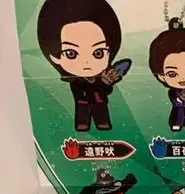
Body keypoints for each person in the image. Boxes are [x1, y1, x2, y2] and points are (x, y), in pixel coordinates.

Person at [37, 0, 129, 131]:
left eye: (98, 53)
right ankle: (84, 124)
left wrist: (106, 83)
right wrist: (100, 84)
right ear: (55, 56)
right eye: (71, 53)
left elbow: (106, 89)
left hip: (99, 100)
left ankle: (102, 123)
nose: (86, 62)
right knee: (83, 108)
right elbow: (79, 88)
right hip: (83, 101)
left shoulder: (101, 75)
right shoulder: (75, 80)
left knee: (99, 107)